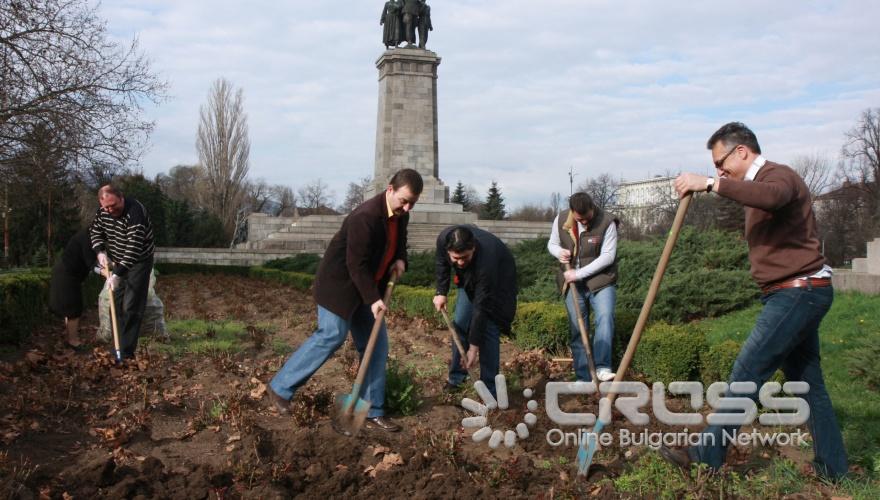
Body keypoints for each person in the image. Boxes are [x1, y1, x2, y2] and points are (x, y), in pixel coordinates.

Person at [660, 122, 848, 480]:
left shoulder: (779, 177)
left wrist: (710, 183)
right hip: (795, 293)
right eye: (715, 168)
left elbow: (771, 196)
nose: (720, 171)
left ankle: (706, 454)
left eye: (721, 163)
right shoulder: (754, 188)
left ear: (742, 151)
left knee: (747, 372)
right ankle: (834, 469)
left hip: (798, 292)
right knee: (809, 385)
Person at [268, 169, 423, 433]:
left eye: (412, 203)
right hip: (339, 286)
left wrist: (401, 259)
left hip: (368, 287)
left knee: (376, 347)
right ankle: (280, 388)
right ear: (390, 190)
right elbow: (356, 264)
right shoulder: (365, 217)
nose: (407, 208)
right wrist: (373, 299)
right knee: (332, 335)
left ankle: (373, 410)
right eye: (404, 201)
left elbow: (399, 242)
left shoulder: (401, 214)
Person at [433, 225, 517, 397]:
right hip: (470, 278)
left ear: (473, 248)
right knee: (460, 323)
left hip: (498, 281)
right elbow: (441, 264)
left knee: (489, 329)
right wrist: (441, 292)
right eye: (456, 258)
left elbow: (481, 306)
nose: (460, 262)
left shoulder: (487, 259)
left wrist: (473, 348)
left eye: (465, 257)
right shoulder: (443, 239)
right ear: (448, 251)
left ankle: (489, 390)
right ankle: (456, 379)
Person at [547, 192, 619, 383]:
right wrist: (559, 252)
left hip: (601, 280)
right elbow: (552, 243)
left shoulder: (607, 222)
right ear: (572, 212)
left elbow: (608, 256)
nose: (585, 223)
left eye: (587, 218)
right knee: (578, 328)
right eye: (580, 220)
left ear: (592, 208)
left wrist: (578, 273)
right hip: (573, 284)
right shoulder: (561, 219)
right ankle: (584, 377)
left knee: (605, 317)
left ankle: (603, 368)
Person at [88, 185, 155, 360]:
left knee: (131, 305)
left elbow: (134, 248)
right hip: (118, 259)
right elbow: (95, 231)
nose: (110, 210)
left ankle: (126, 352)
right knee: (115, 302)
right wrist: (100, 252)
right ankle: (118, 346)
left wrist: (117, 275)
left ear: (121, 198)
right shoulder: (102, 212)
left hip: (139, 261)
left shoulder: (135, 212)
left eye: (114, 205)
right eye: (106, 207)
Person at [49, 229, 97, 348]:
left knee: (70, 307)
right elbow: (90, 262)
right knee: (73, 308)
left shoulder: (91, 237)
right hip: (66, 273)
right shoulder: (86, 238)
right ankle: (73, 341)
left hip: (69, 274)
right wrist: (105, 272)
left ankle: (69, 339)